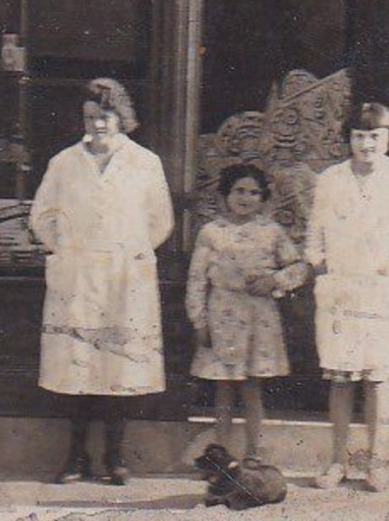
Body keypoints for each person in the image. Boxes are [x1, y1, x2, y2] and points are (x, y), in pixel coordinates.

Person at [30, 78, 174, 485]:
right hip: (77, 279)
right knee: (77, 366)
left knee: (119, 366)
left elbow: (160, 220)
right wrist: (66, 251)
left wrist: (129, 249)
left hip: (124, 278)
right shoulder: (64, 163)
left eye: (105, 117)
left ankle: (114, 456)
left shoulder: (145, 163)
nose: (97, 125)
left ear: (121, 118)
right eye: (90, 117)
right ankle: (76, 456)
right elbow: (42, 215)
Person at [306, 102, 389, 492]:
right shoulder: (330, 179)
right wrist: (319, 263)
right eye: (358, 136)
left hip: (380, 289)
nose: (366, 144)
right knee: (341, 379)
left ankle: (377, 463)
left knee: (378, 377)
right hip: (341, 288)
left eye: (374, 136)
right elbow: (315, 230)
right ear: (349, 139)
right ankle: (337, 462)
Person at [186, 163, 310, 458]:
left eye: (254, 193)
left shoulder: (271, 231)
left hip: (258, 317)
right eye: (239, 191)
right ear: (226, 194)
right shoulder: (211, 232)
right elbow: (196, 279)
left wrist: (274, 281)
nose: (246, 198)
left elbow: (299, 267)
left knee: (252, 386)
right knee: (224, 386)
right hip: (222, 315)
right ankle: (222, 452)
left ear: (263, 198)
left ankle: (253, 455)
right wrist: (199, 321)